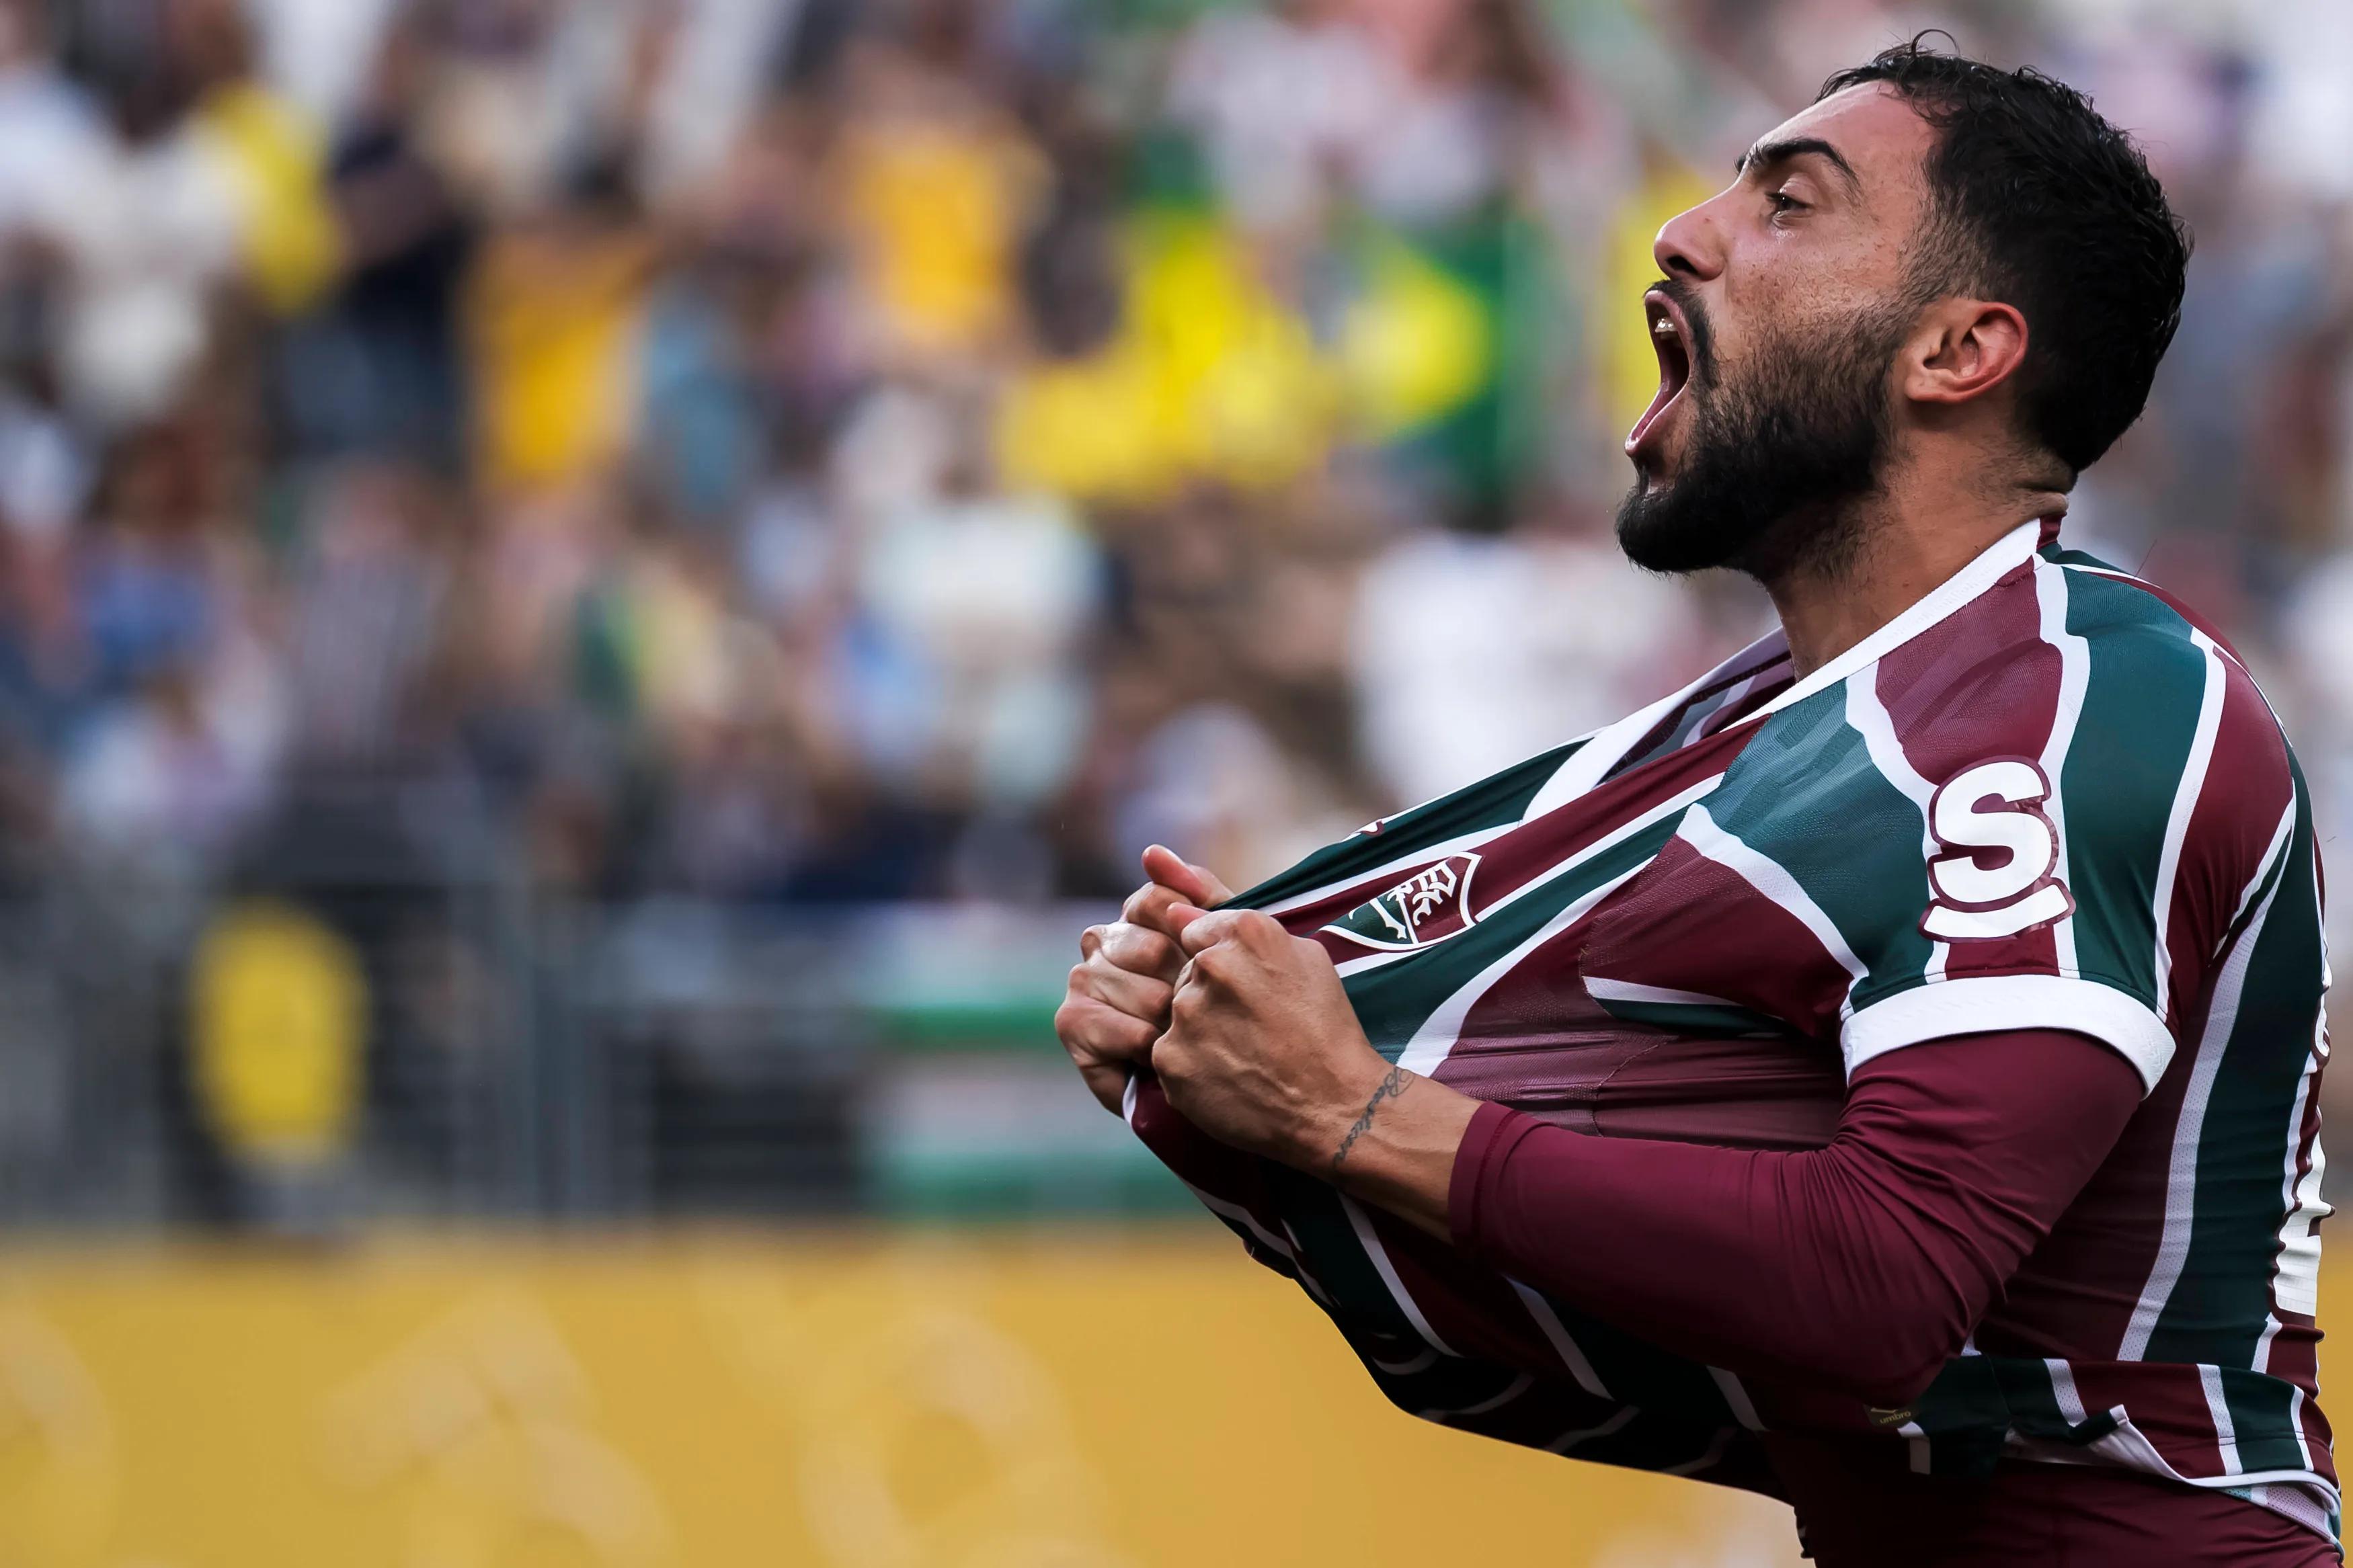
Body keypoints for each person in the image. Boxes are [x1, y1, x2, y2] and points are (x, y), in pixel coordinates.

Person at [1053, 40, 2336, 1568]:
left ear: (1958, 352)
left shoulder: (2056, 702)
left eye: (1788, 203)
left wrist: (1353, 1113)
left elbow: (1879, 1287)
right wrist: (1224, 1052)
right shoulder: (1778, 714)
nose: (1683, 231)